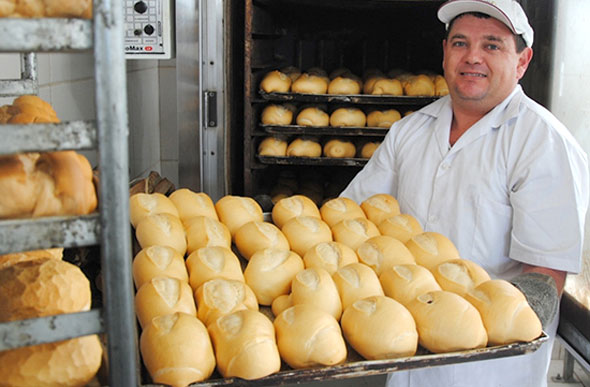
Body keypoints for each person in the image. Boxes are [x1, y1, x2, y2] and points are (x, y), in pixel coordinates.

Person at [340, 0, 589, 386]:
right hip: (404, 355)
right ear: (444, 53)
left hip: (487, 372)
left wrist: (467, 328)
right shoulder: (411, 131)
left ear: (522, 61)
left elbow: (545, 277)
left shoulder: (543, 144)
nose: (472, 57)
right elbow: (352, 216)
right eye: (460, 43)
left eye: (492, 45)